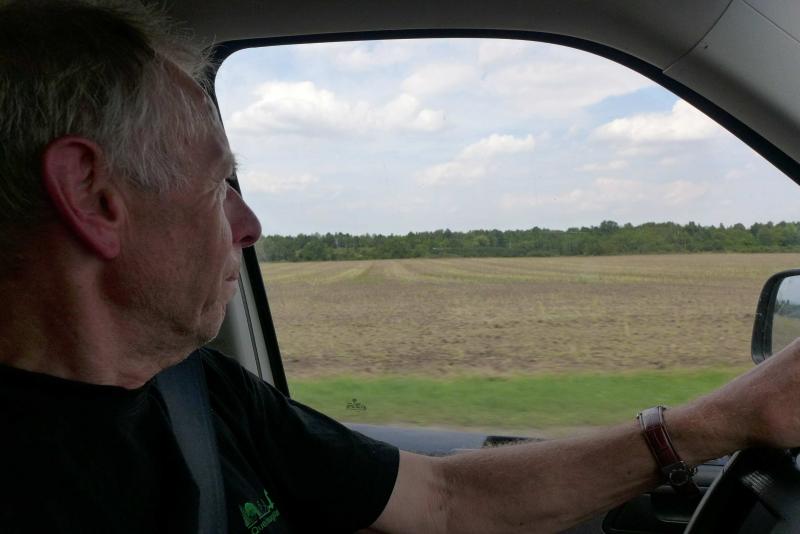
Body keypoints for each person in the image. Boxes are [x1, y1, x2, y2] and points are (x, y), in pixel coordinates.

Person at [1, 1, 800, 533]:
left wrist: (721, 421)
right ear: (94, 195)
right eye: (218, 187)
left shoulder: (193, 388)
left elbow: (444, 501)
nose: (250, 226)